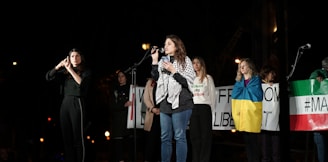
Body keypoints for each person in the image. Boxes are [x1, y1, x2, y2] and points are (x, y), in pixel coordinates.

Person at [150, 34, 196, 162]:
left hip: (181, 102)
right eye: (165, 44)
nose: (165, 46)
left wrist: (174, 71)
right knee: (165, 137)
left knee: (179, 136)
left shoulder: (185, 60)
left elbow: (189, 82)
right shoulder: (162, 61)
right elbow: (157, 80)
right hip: (165, 103)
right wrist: (154, 60)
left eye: (169, 43)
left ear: (177, 46)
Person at [45, 48, 92, 162]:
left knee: (78, 137)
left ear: (81, 58)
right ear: (69, 59)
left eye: (77, 56)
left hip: (77, 103)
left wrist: (70, 69)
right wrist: (58, 66)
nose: (75, 58)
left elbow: (81, 83)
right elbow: (48, 77)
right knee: (66, 138)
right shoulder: (64, 72)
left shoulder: (86, 71)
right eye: (72, 56)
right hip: (65, 103)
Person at [231, 58, 263, 162]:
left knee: (254, 142)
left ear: (250, 67)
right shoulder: (239, 82)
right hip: (243, 115)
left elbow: (258, 94)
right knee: (247, 142)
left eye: (244, 65)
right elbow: (235, 95)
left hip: (252, 115)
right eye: (240, 66)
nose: (242, 68)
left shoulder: (256, 79)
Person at [189, 56, 217, 162]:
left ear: (202, 65)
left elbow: (213, 96)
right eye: (193, 63)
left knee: (205, 137)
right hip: (194, 108)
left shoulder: (207, 78)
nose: (195, 65)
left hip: (205, 107)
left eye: (197, 63)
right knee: (194, 137)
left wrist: (211, 110)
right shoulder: (192, 79)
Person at [110, 70, 133, 162]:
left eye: (122, 76)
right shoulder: (114, 90)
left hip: (130, 121)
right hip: (118, 122)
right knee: (119, 146)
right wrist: (123, 105)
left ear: (126, 77)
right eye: (119, 76)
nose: (120, 78)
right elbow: (111, 105)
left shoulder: (132, 89)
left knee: (130, 145)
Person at [260, 65, 281, 162]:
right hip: (263, 124)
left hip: (275, 124)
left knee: (276, 153)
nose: (274, 75)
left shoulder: (276, 87)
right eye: (271, 73)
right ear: (265, 74)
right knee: (265, 153)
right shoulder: (259, 86)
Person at [309, 56, 328, 162]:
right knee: (322, 153)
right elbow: (311, 81)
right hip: (320, 122)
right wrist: (316, 79)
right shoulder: (318, 73)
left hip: (323, 121)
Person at [142, 77, 161, 162]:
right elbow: (145, 97)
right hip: (152, 114)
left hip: (164, 114)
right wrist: (152, 108)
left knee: (162, 141)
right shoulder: (150, 82)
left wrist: (163, 109)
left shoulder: (167, 78)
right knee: (151, 141)